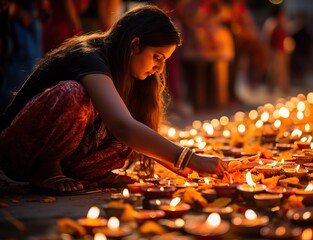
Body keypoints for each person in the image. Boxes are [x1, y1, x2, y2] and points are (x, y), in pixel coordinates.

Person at [0, 5, 227, 195]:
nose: (159, 69)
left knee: (135, 126)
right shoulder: (89, 56)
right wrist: (191, 159)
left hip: (68, 156)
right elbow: (122, 126)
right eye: (157, 57)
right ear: (134, 45)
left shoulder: (128, 71)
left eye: (164, 60)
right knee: (74, 94)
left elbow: (134, 130)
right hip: (18, 149)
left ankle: (79, 173)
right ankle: (46, 170)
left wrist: (189, 167)